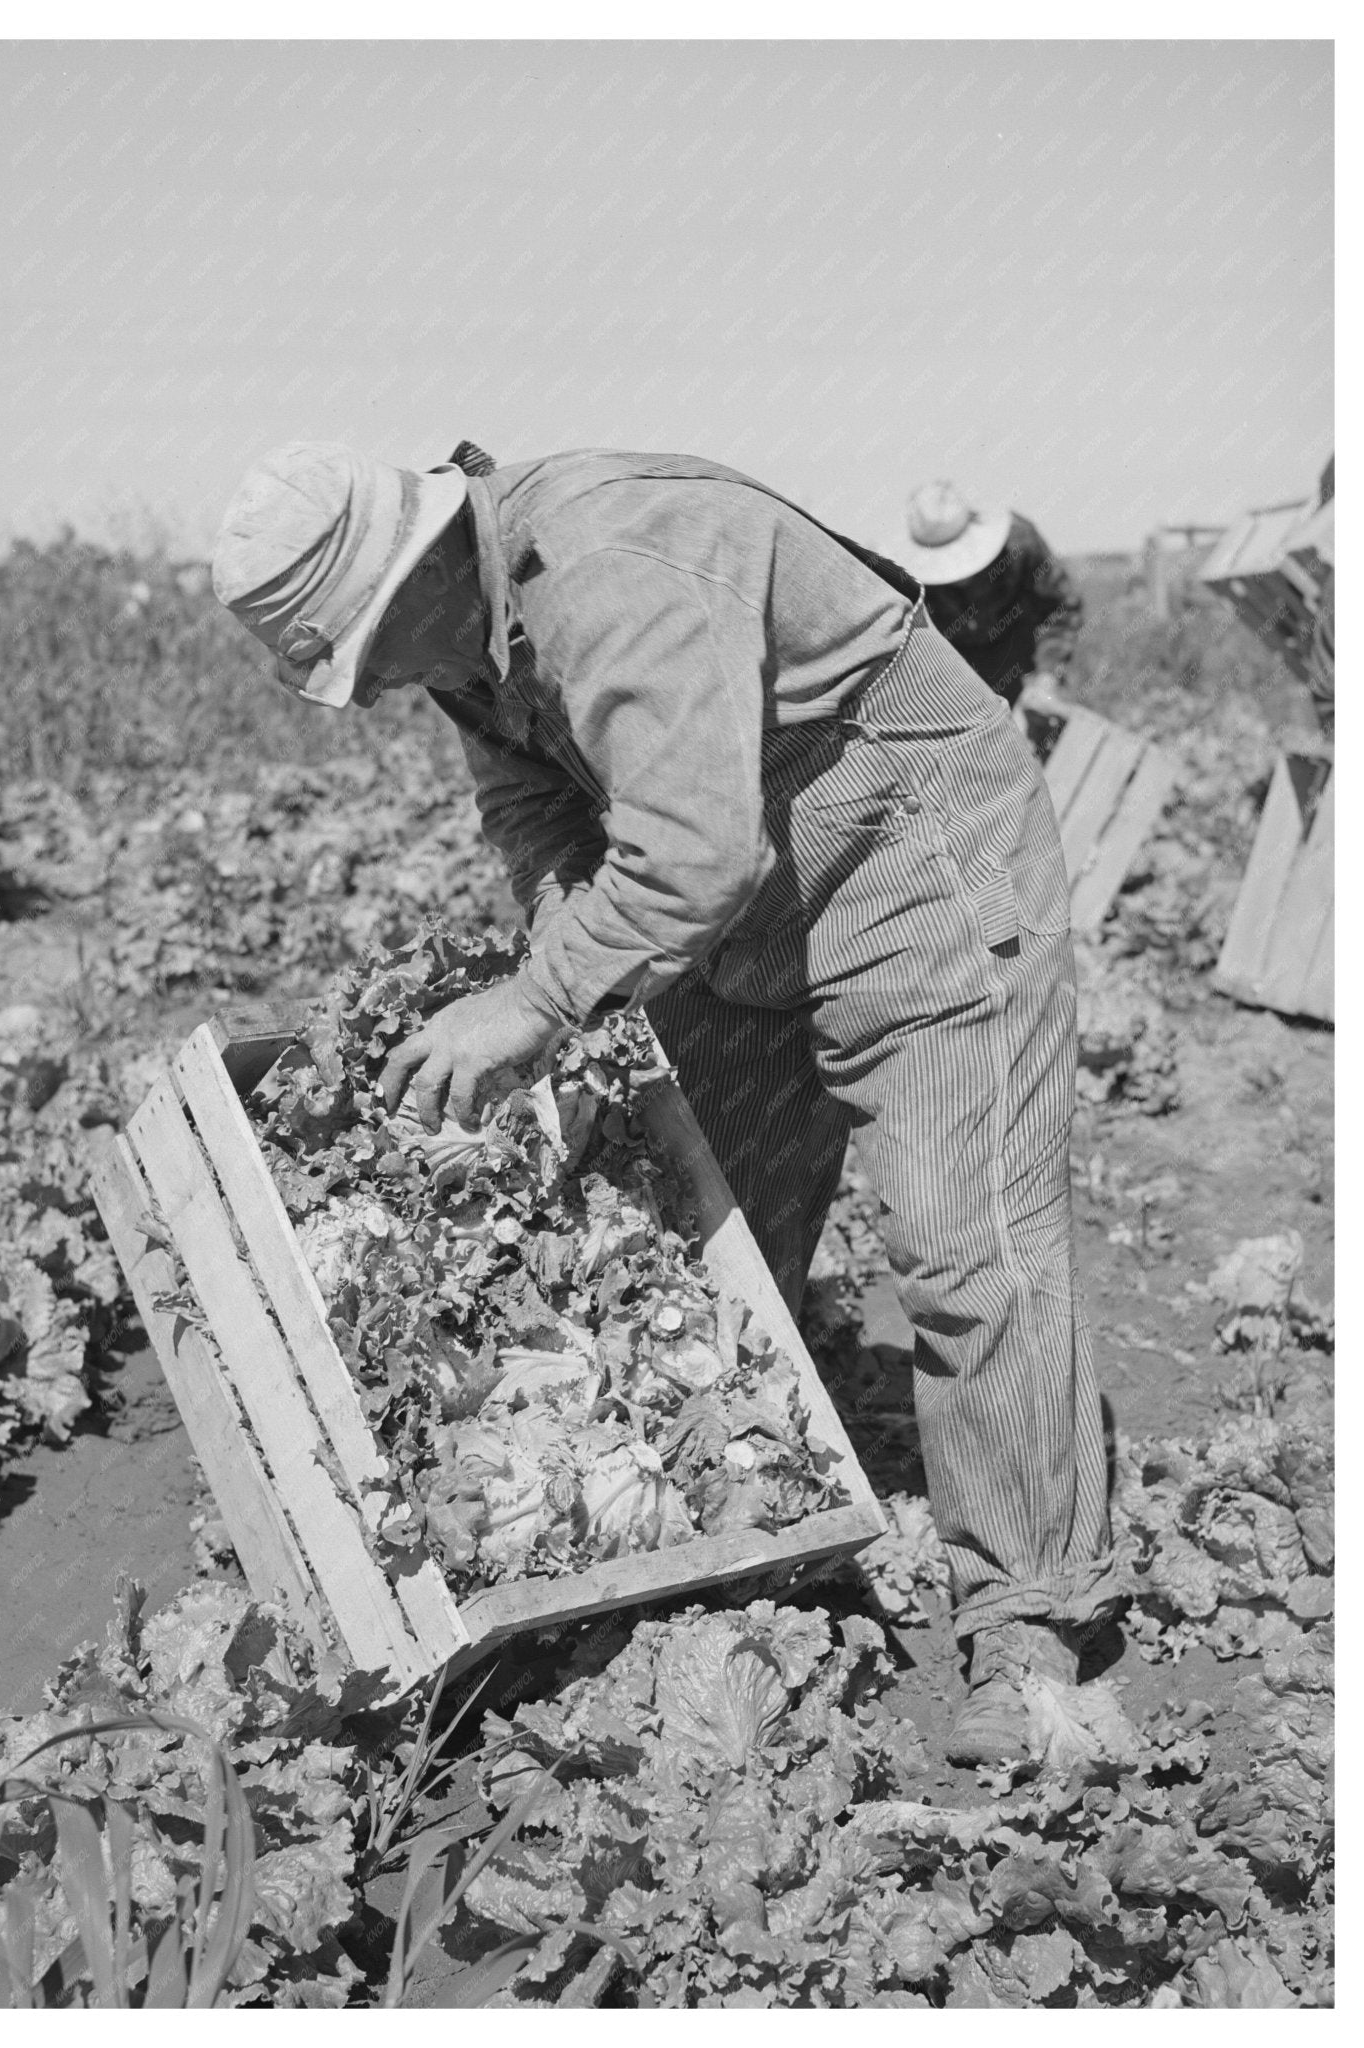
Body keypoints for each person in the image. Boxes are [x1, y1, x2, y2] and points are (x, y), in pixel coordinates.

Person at [212, 441, 1120, 1764]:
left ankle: (1031, 1635)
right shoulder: (466, 635)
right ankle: (736, 1537)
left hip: (910, 862)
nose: (392, 683)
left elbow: (691, 851)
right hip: (740, 907)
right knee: (707, 1248)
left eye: (372, 652)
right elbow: (536, 814)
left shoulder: (610, 560)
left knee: (964, 1243)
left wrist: (537, 1003)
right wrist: (555, 964)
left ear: (417, 564)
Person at [887, 482, 1083, 711]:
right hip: (955, 677)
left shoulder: (1020, 544)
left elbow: (1061, 609)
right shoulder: (903, 580)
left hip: (1024, 662)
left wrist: (1047, 677)